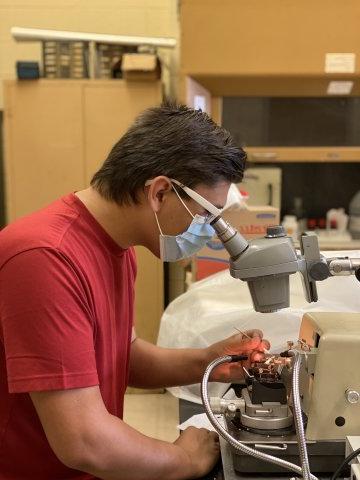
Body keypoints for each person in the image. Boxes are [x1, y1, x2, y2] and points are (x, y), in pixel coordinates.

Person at [0, 103, 270, 480]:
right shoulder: (46, 257)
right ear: (160, 193)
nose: (209, 231)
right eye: (207, 215)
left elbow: (119, 356)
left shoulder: (119, 249)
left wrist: (210, 361)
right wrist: (185, 459)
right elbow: (84, 441)